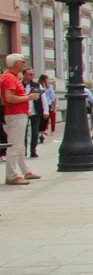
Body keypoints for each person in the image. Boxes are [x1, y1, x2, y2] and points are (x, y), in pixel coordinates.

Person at [3, 53, 41, 185]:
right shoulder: (10, 78)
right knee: (15, 144)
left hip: (19, 113)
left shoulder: (13, 77)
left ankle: (25, 171)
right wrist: (28, 98)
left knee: (19, 145)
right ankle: (12, 175)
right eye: (22, 61)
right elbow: (9, 98)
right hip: (15, 114)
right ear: (15, 63)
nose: (24, 64)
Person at [23, 68, 42, 158]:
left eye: (33, 74)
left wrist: (45, 110)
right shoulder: (20, 85)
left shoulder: (37, 85)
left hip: (35, 110)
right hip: (24, 111)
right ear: (25, 75)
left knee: (35, 132)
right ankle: (24, 150)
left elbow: (43, 97)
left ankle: (33, 150)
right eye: (30, 74)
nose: (32, 76)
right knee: (24, 132)